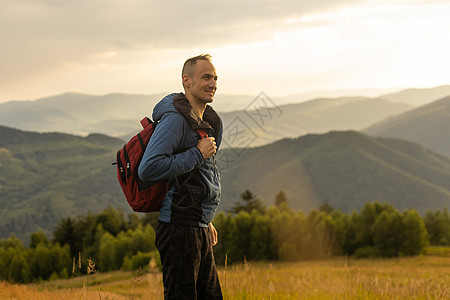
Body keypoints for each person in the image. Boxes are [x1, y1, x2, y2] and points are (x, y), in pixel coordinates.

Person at [138, 53, 223, 299]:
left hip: (197, 224)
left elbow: (201, 176)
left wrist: (206, 218)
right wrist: (197, 154)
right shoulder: (176, 120)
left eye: (215, 78)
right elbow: (149, 168)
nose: (213, 84)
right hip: (178, 228)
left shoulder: (207, 120)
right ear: (187, 81)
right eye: (206, 77)